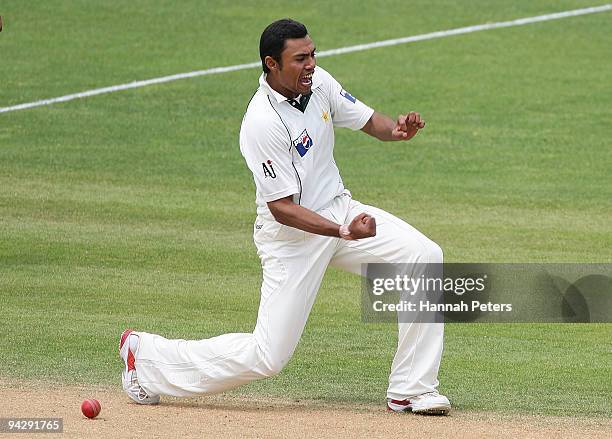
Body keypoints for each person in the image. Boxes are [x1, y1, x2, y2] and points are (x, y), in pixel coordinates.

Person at [119, 18, 450, 415]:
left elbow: (367, 120)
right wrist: (343, 230)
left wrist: (396, 131)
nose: (311, 63)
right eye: (300, 58)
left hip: (339, 210)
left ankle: (411, 390)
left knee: (424, 256)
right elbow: (284, 208)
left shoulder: (319, 82)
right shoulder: (261, 123)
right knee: (268, 356)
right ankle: (148, 359)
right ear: (271, 64)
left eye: (312, 54)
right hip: (293, 239)